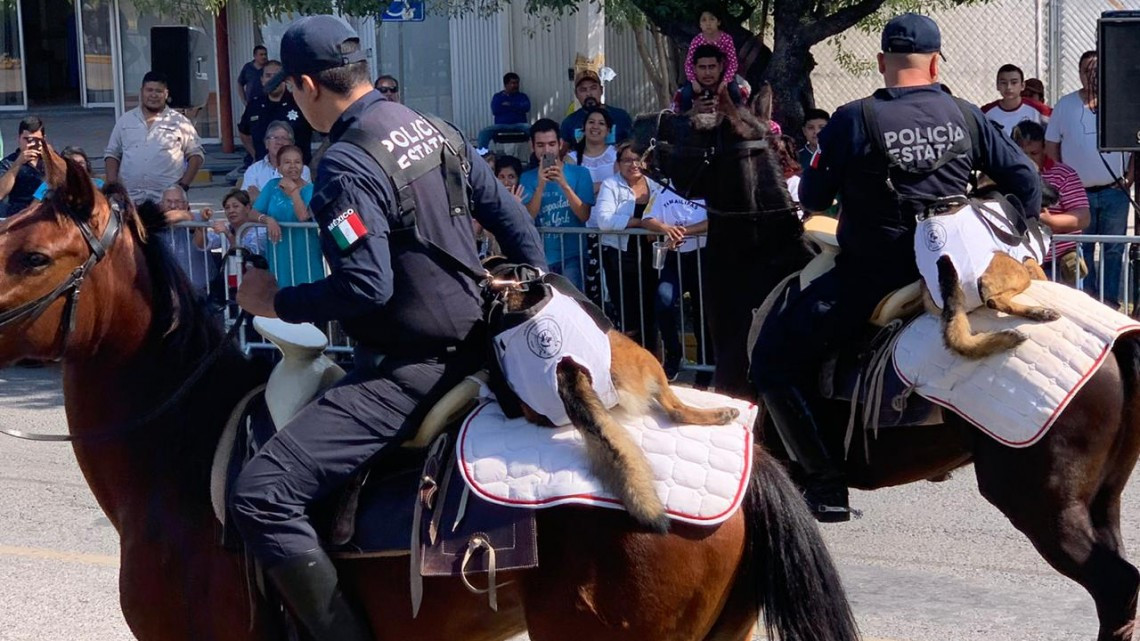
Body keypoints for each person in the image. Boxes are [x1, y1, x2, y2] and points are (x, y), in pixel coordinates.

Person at [230, 16, 544, 641]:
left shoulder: (343, 166)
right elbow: (517, 228)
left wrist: (277, 299)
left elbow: (364, 286)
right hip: (486, 346)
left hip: (411, 372)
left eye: (291, 93)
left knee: (259, 493)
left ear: (305, 85)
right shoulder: (432, 127)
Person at [751, 13, 1040, 522]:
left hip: (877, 275)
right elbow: (1026, 179)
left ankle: (825, 484)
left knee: (771, 359)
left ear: (882, 62)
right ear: (934, 63)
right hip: (957, 268)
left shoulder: (852, 118)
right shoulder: (968, 115)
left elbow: (815, 193)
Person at [1045, 50, 1134, 308]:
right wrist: (1065, 181)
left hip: (1115, 191)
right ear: (1079, 73)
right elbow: (1052, 147)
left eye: (1096, 71)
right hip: (1078, 195)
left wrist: (1128, 177)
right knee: (1080, 248)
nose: (1091, 76)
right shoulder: (1065, 105)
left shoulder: (1119, 103)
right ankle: (1087, 301)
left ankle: (1109, 302)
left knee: (1113, 249)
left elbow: (1133, 144)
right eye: (1086, 71)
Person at [591, 141, 661, 350]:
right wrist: (640, 223)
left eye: (637, 159)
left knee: (651, 309)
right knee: (627, 312)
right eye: (627, 160)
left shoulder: (656, 185)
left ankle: (654, 359)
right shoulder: (610, 185)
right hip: (620, 257)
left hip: (652, 256)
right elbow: (604, 221)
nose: (633, 164)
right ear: (618, 164)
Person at [104, 71, 204, 204]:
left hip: (167, 202)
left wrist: (183, 186)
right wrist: (113, 186)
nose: (153, 95)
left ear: (166, 94)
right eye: (149, 90)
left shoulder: (180, 122)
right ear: (141, 92)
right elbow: (112, 154)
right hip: (130, 200)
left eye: (159, 91)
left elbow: (196, 156)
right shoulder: (125, 121)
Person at [641, 187, 709, 379]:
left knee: (702, 314)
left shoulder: (704, 191)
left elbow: (714, 221)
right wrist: (666, 229)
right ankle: (674, 353)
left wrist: (685, 232)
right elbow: (647, 219)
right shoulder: (663, 190)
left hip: (700, 256)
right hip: (673, 257)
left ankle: (704, 370)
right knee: (663, 302)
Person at [521, 118, 595, 290]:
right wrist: (540, 186)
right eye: (540, 145)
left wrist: (564, 184)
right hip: (541, 256)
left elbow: (584, 215)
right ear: (532, 147)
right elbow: (528, 217)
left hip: (573, 254)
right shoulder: (527, 178)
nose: (547, 150)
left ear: (560, 144)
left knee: (573, 303)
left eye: (551, 144)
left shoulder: (580, 174)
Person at [1012, 120, 1090, 284]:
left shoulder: (1064, 174)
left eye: (1034, 154)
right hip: (1021, 261)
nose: (1028, 161)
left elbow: (1083, 217)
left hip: (1060, 262)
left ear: (1044, 148)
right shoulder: (1006, 175)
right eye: (1022, 154)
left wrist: (1050, 221)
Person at [252, 144, 323, 286]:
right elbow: (253, 212)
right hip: (279, 250)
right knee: (281, 289)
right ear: (278, 167)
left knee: (307, 290)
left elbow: (303, 216)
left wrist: (294, 191)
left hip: (304, 250)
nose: (293, 166)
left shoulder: (311, 189)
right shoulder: (272, 186)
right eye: (287, 162)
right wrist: (268, 220)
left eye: (297, 162)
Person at [239, 59, 314, 165]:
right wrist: (255, 154)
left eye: (276, 75)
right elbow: (244, 133)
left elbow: (326, 133)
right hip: (264, 170)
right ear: (262, 80)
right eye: (268, 75)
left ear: (284, 79)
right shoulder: (254, 106)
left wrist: (316, 162)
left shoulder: (300, 103)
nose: (272, 79)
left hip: (297, 171)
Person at [156, 185, 212, 293]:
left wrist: (186, 216)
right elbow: (166, 218)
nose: (173, 205)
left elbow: (199, 219)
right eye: (168, 201)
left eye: (177, 201)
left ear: (186, 205)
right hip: (167, 292)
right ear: (160, 205)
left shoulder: (198, 218)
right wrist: (184, 215)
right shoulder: (155, 221)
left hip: (200, 291)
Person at [681, 9, 741, 106]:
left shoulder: (726, 39)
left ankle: (739, 116)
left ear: (719, 22)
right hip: (699, 76)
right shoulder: (696, 40)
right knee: (686, 94)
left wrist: (725, 80)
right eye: (704, 20)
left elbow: (733, 63)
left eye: (712, 19)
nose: (708, 23)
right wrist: (693, 81)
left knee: (735, 93)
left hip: (723, 74)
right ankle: (683, 118)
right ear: (700, 24)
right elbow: (688, 63)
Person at [242, 120, 312, 201]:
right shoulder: (254, 170)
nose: (279, 142)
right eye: (274, 138)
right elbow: (245, 201)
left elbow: (300, 201)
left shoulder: (302, 170)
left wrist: (260, 198)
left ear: (291, 145)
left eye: (284, 138)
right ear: (266, 144)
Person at [560, 69, 634, 145]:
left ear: (601, 90)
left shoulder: (621, 117)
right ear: (576, 94)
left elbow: (632, 146)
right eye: (583, 90)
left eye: (593, 88)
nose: (589, 94)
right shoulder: (569, 123)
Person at [981, 64, 1051, 136]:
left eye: (1014, 82)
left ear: (1022, 86)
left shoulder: (1038, 109)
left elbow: (1059, 123)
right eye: (1003, 83)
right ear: (997, 86)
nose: (1008, 87)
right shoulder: (985, 112)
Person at [194, 187, 268, 257]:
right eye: (227, 208)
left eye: (236, 206)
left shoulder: (260, 231)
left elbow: (246, 254)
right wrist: (202, 222)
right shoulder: (227, 229)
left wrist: (228, 234)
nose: (231, 211)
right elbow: (202, 244)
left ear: (247, 208)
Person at [0, 116, 46, 217]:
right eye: (27, 140)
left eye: (36, 140)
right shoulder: (8, 162)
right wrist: (18, 163)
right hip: (17, 215)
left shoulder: (49, 161)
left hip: (46, 213)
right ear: (19, 139)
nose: (31, 144)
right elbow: (1, 193)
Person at [566, 106, 617, 193]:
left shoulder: (616, 154)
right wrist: (601, 186)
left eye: (601, 123)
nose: (595, 126)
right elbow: (569, 189)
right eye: (591, 122)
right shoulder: (571, 158)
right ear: (584, 127)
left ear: (608, 131)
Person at [673, 45, 736, 114]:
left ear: (721, 67)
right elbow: (671, 121)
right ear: (694, 69)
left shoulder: (738, 91)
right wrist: (693, 111)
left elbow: (748, 119)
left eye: (712, 67)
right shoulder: (681, 95)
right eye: (702, 67)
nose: (707, 73)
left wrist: (728, 108)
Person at [476, 72, 531, 149]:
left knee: (533, 130)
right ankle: (482, 156)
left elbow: (526, 108)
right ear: (506, 84)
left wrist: (510, 104)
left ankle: (537, 156)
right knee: (483, 133)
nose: (516, 85)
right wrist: (517, 107)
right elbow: (495, 110)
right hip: (501, 126)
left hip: (519, 125)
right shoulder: (498, 97)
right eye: (513, 83)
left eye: (517, 83)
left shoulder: (522, 96)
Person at [32, 146, 104, 202]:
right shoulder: (49, 185)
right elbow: (34, 209)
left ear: (87, 165)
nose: (78, 167)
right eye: (73, 164)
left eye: (81, 163)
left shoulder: (98, 184)